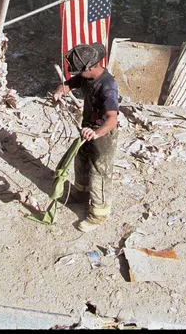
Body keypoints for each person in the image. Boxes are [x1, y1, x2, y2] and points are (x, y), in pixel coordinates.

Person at [51, 43, 119, 232]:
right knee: (81, 161)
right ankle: (81, 194)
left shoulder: (107, 86)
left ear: (90, 67)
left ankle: (98, 214)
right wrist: (59, 92)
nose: (77, 75)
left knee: (99, 173)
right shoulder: (86, 77)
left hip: (103, 133)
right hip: (87, 128)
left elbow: (112, 119)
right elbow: (68, 85)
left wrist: (96, 132)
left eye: (79, 71)